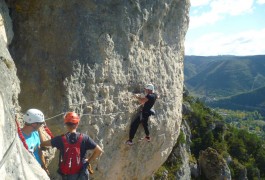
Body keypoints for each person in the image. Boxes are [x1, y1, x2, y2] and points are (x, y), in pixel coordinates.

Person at [41, 112, 103, 180]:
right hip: (82, 173)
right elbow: (99, 150)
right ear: (77, 123)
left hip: (67, 174)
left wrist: (39, 129)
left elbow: (43, 143)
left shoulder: (60, 139)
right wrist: (88, 161)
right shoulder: (85, 138)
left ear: (66, 124)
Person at [18, 108, 49, 174]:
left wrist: (44, 166)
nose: (41, 126)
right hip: (28, 171)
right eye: (40, 124)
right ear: (34, 124)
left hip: (38, 168)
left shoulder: (36, 133)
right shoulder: (18, 137)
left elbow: (39, 151)